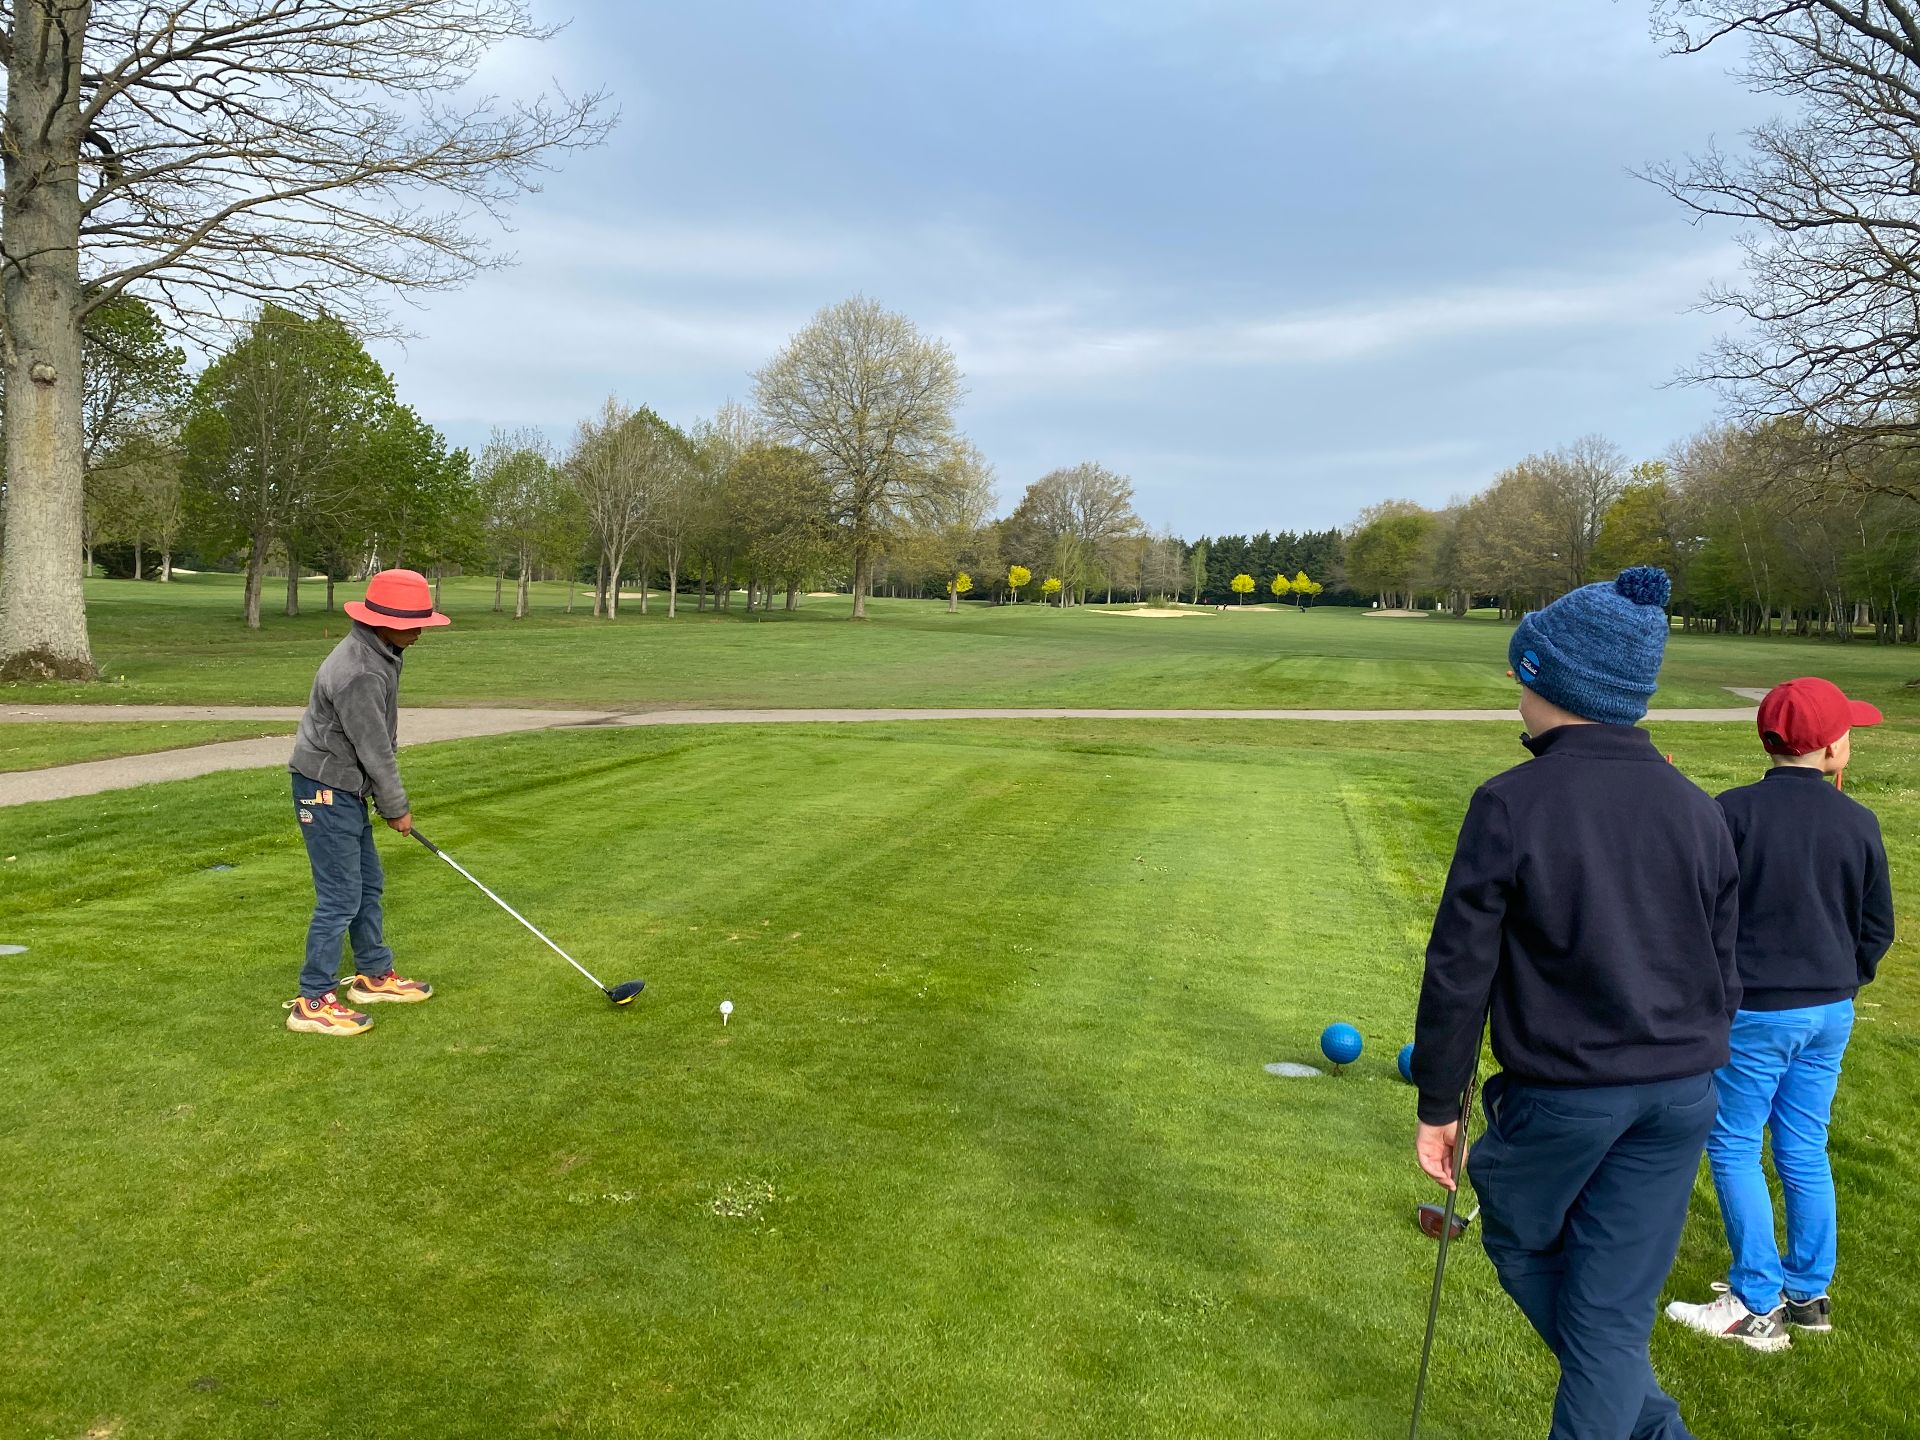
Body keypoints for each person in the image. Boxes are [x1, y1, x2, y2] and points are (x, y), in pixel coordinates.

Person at [1412, 566, 1739, 1440]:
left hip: (1570, 1095)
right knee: (1609, 1315)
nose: (1514, 688)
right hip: (1683, 1094)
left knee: (1533, 1250)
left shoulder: (1511, 802)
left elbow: (1459, 970)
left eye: (1521, 673)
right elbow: (1726, 967)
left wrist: (1439, 1105)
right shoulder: (1698, 808)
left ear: (1545, 680)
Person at [1664, 678, 1894, 1348]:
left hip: (1760, 1012)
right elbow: (1876, 927)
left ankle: (1761, 1302)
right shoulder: (1858, 820)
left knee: (1736, 1142)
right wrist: (1847, 979)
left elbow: (1697, 915)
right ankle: (1799, 1297)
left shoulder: (1730, 813)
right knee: (1801, 1144)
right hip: (1826, 1010)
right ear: (1830, 748)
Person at [283, 568, 448, 1036]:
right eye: (413, 624)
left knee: (367, 885)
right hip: (323, 787)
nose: (420, 632)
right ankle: (312, 1000)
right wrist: (396, 807)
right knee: (340, 897)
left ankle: (373, 974)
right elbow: (375, 749)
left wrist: (376, 795)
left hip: (345, 787)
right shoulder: (359, 672)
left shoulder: (380, 652)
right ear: (384, 621)